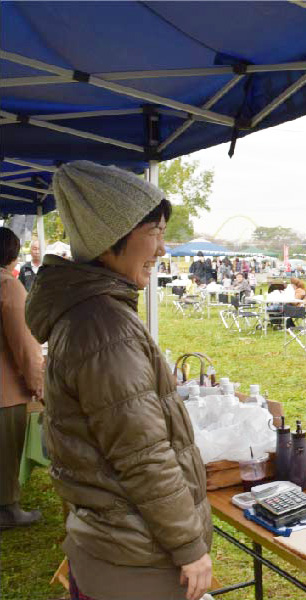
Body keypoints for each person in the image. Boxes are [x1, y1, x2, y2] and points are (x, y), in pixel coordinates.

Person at [25, 161, 213, 600]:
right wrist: (188, 546)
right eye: (156, 232)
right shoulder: (105, 326)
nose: (162, 249)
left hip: (109, 543)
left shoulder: (90, 313)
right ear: (114, 237)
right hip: (134, 560)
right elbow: (144, 455)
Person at [0, 227, 44, 529]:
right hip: (4, 389)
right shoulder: (8, 285)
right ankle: (8, 509)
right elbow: (23, 341)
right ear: (14, 254)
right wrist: (37, 382)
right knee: (5, 449)